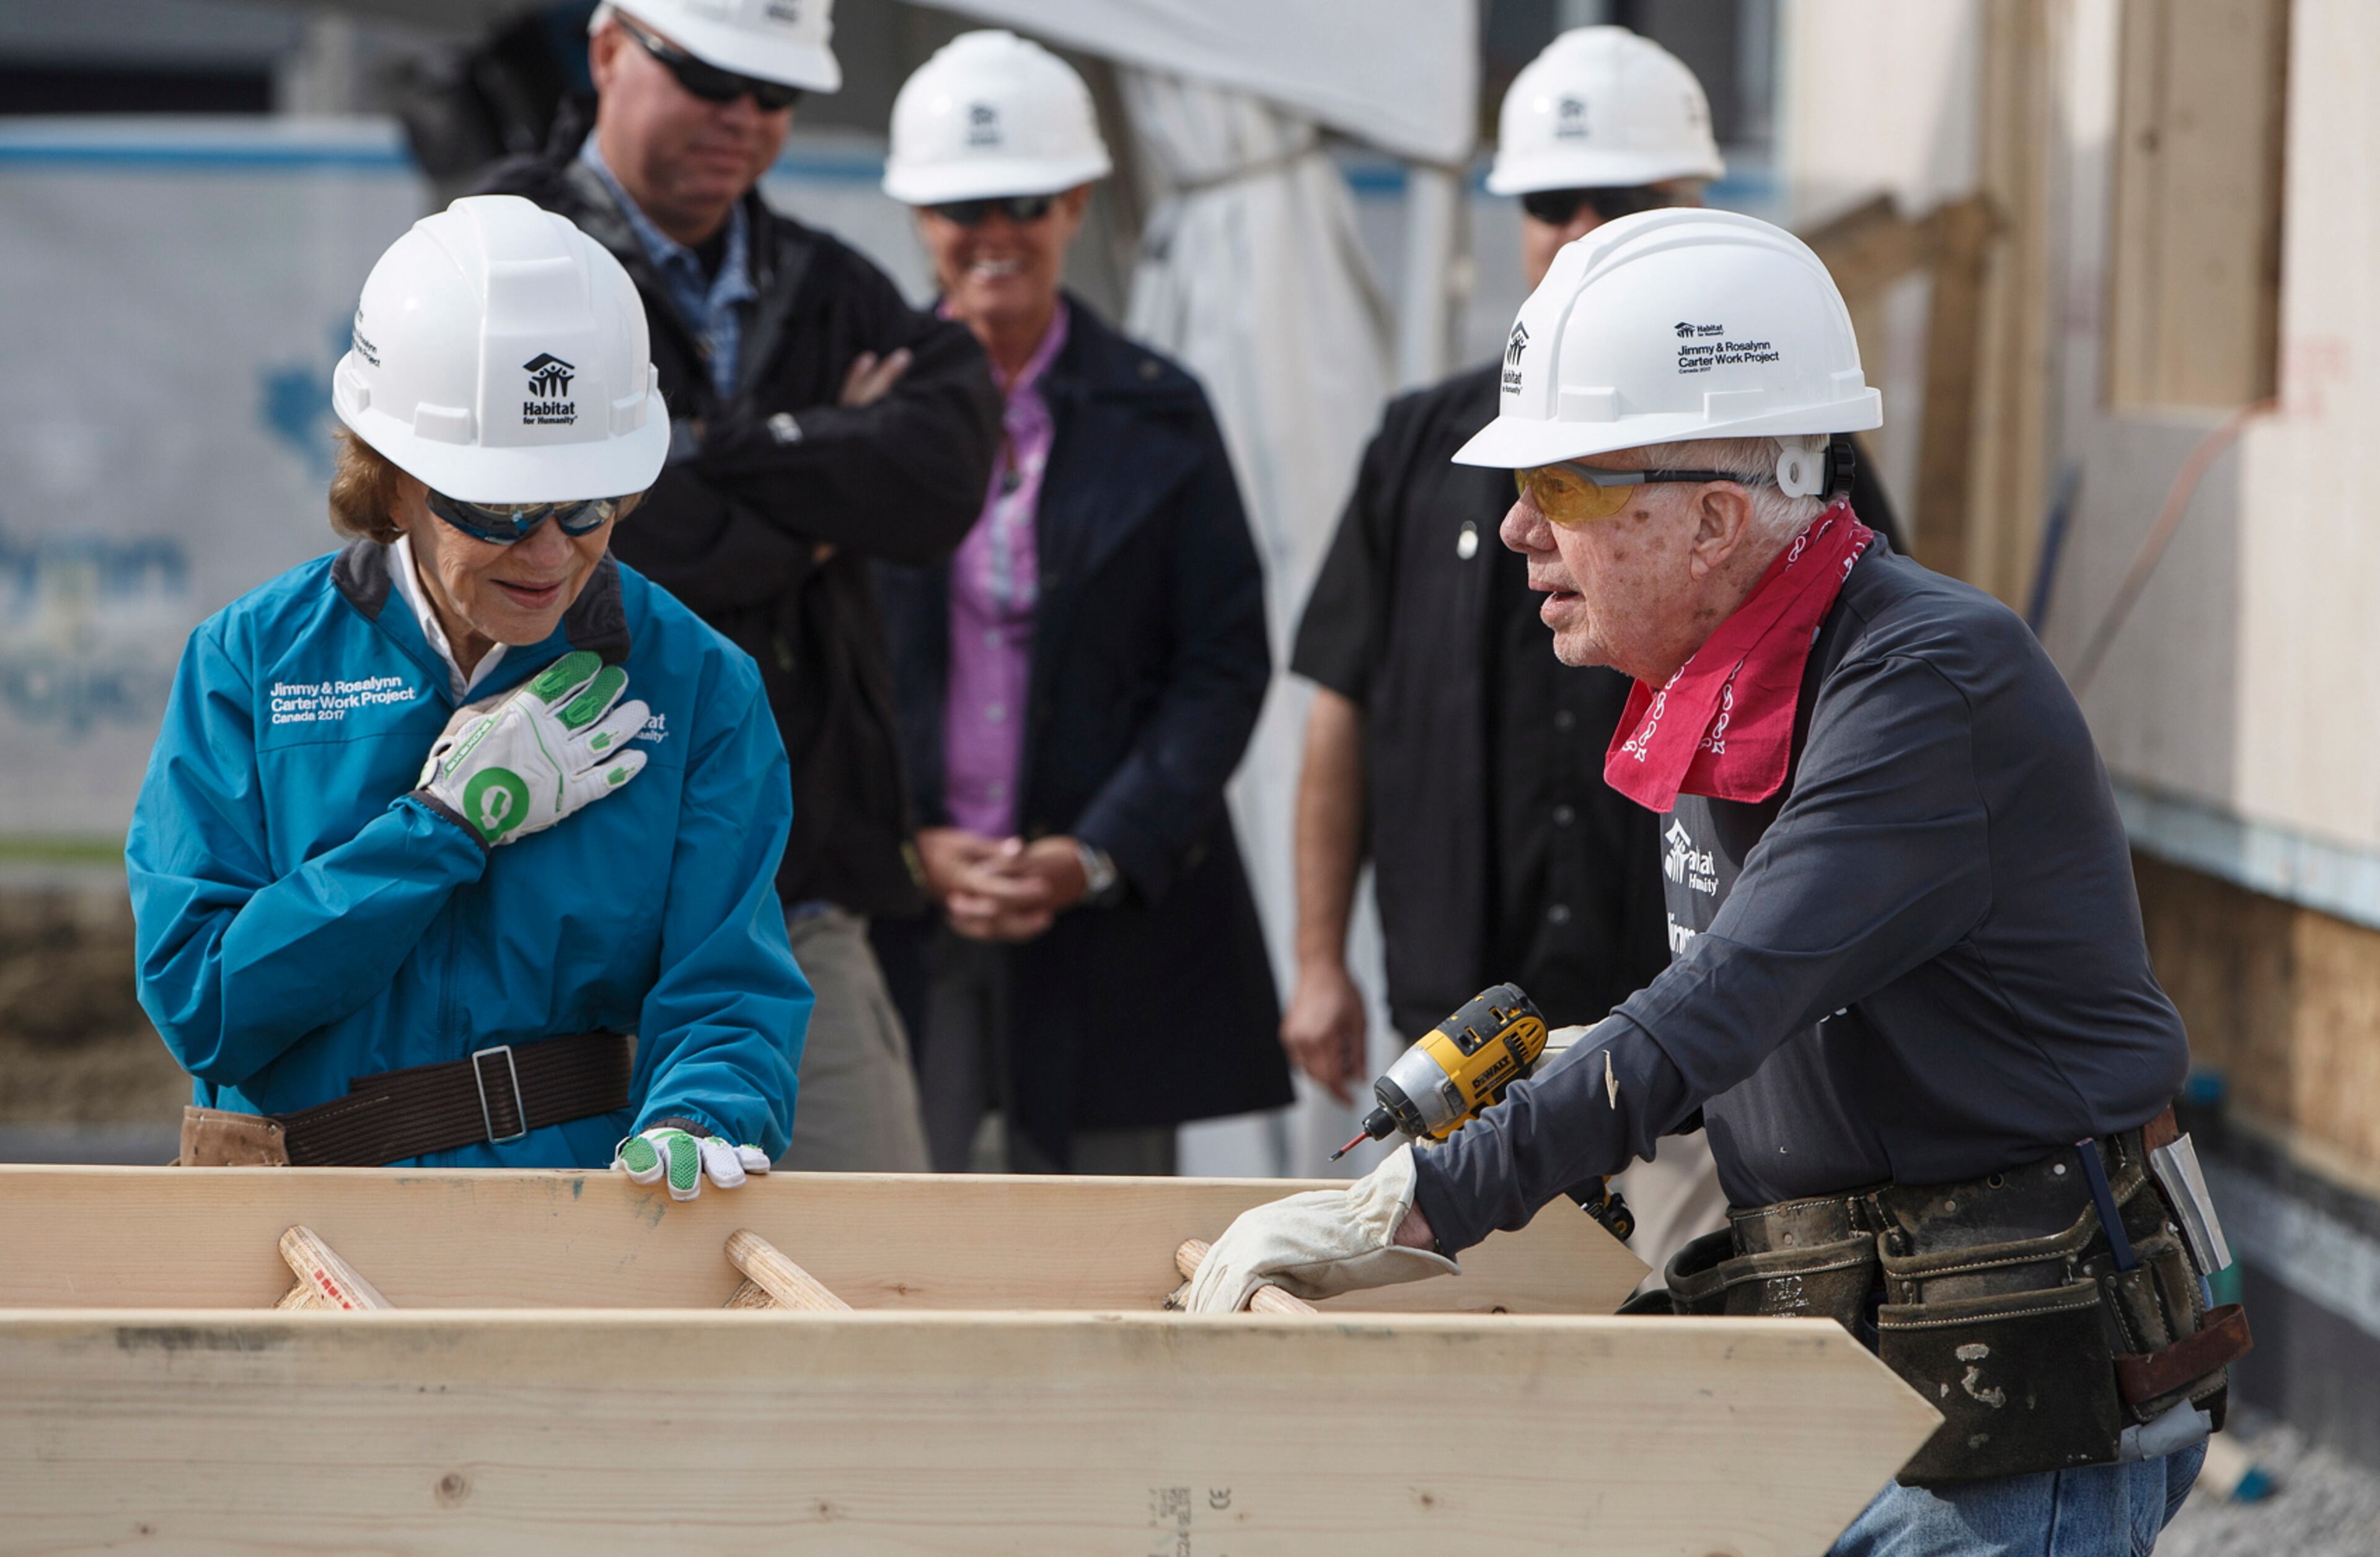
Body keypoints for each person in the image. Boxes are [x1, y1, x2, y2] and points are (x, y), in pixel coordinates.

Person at [1191, 210, 2242, 1553]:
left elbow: (1729, 999)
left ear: (1713, 518)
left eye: (1563, 486)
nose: (1516, 528)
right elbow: (1766, 993)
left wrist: (1408, 1205)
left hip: (2004, 1410)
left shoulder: (1923, 681)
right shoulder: (1753, 670)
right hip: (1864, 1376)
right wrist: (1574, 1065)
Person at [1288, 27, 1893, 1262]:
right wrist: (1314, 958)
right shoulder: (1421, 446)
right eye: (1551, 201)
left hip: (1688, 1049)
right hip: (1468, 1025)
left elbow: (1853, 714)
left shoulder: (1785, 455)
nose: (1578, 227)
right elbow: (1340, 703)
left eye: (1616, 200)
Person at [130, 195, 806, 1199]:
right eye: (500, 509)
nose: (547, 554)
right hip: (282, 1203)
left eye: (587, 506)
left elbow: (728, 989)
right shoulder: (252, 661)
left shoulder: (698, 683)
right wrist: (441, 827)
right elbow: (207, 1004)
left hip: (566, 1211)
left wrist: (699, 1110)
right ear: (393, 479)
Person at [478, 0, 1003, 1174]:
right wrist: (823, 485)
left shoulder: (819, 277)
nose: (745, 118)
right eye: (712, 77)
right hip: (532, 890)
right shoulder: (494, 258)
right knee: (565, 1293)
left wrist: (716, 453)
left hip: (791, 889)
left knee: (876, 1292)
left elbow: (939, 477)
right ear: (609, 47)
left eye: (775, 94)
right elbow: (581, 550)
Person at [868, 32, 1290, 1173]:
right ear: (918, 216)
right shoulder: (859, 409)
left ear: (1075, 202)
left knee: (1112, 1260)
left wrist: (1098, 851)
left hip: (1111, 926)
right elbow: (803, 663)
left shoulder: (1163, 410)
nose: (993, 231)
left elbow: (1221, 664)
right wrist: (909, 845)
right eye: (963, 204)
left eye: (1023, 199)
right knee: (889, 1244)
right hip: (901, 916)